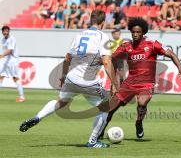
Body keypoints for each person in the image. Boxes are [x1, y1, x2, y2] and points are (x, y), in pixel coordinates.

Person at [19, 10, 118, 148]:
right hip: (88, 81)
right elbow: (106, 62)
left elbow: (67, 58)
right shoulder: (103, 37)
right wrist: (114, 83)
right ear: (103, 23)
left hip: (71, 78)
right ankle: (93, 141)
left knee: (61, 102)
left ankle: (38, 117)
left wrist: (64, 75)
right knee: (105, 107)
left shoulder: (79, 35)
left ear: (90, 21)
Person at [99, 17, 181, 139]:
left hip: (146, 83)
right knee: (111, 108)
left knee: (142, 102)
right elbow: (111, 60)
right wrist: (114, 81)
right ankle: (100, 131)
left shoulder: (152, 44)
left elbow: (170, 53)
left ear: (143, 32)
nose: (135, 34)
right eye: (133, 32)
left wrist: (180, 69)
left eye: (138, 32)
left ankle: (138, 123)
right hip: (129, 83)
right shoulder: (126, 46)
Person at [0, 26, 25, 103]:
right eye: (4, 31)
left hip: (13, 61)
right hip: (6, 61)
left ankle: (22, 97)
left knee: (15, 78)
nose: (5, 32)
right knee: (1, 77)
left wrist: (2, 55)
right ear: (2, 32)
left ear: (9, 31)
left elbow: (10, 50)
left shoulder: (12, 39)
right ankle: (22, 97)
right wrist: (2, 56)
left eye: (6, 31)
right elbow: (4, 50)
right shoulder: (2, 39)